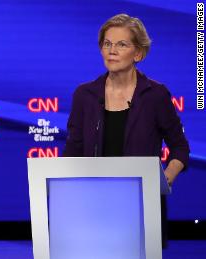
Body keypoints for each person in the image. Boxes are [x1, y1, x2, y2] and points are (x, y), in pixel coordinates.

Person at [63, 14, 189, 247]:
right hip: (93, 203)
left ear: (138, 53)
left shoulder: (156, 95)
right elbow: (73, 150)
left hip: (141, 205)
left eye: (122, 44)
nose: (112, 50)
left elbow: (180, 147)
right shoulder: (85, 95)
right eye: (107, 44)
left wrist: (165, 178)